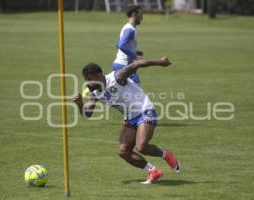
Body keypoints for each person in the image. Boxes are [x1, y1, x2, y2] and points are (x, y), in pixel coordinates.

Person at [72, 56, 181, 184]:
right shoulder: (94, 93)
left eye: (90, 79)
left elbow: (136, 64)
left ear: (99, 74)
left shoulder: (117, 77)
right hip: (130, 118)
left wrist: (160, 62)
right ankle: (153, 171)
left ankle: (166, 155)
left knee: (141, 146)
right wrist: (79, 103)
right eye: (87, 80)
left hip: (145, 111)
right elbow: (88, 114)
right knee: (123, 151)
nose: (89, 83)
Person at [112, 5, 144, 85]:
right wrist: (135, 56)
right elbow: (121, 45)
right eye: (140, 15)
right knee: (137, 93)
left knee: (120, 94)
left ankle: (93, 91)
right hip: (125, 66)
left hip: (118, 64)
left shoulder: (126, 27)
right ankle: (93, 91)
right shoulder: (130, 30)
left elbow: (118, 45)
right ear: (134, 14)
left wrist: (133, 51)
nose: (142, 18)